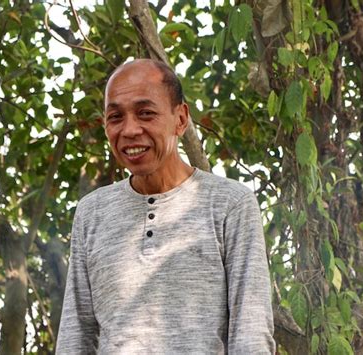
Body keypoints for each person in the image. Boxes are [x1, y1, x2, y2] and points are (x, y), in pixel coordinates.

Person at [56, 59, 275, 354]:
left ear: (181, 119)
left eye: (146, 113)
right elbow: (75, 336)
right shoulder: (91, 212)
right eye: (116, 117)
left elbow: (251, 333)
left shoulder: (229, 204)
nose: (130, 130)